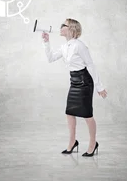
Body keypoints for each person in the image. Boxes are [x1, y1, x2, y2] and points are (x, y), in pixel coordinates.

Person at [41, 18, 108, 157]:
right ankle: (72, 142)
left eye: (63, 25)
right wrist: (46, 42)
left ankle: (93, 143)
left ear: (71, 29)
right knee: (69, 113)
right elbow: (51, 58)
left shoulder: (79, 45)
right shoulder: (65, 46)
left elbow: (90, 65)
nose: (60, 27)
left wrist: (99, 87)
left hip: (85, 82)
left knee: (87, 115)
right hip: (74, 81)